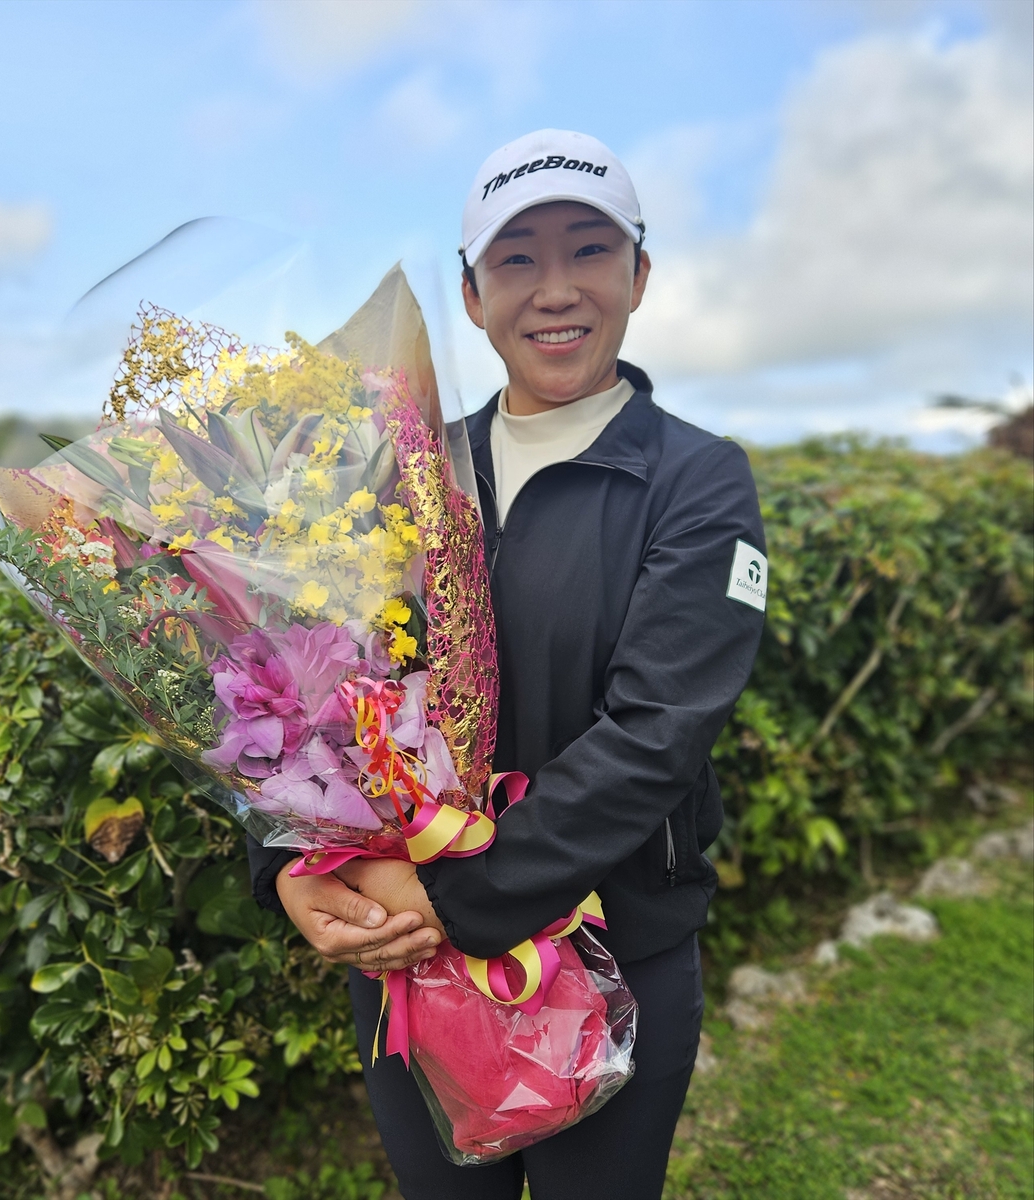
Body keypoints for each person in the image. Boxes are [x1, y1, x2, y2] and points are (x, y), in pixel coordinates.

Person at [246, 129, 767, 1200]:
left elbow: (655, 734)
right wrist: (295, 871)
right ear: (472, 295)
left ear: (640, 275)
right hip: (414, 966)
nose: (555, 289)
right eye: (517, 260)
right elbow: (300, 692)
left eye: (589, 250)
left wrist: (446, 895)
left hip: (613, 951)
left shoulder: (697, 482)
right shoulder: (404, 471)